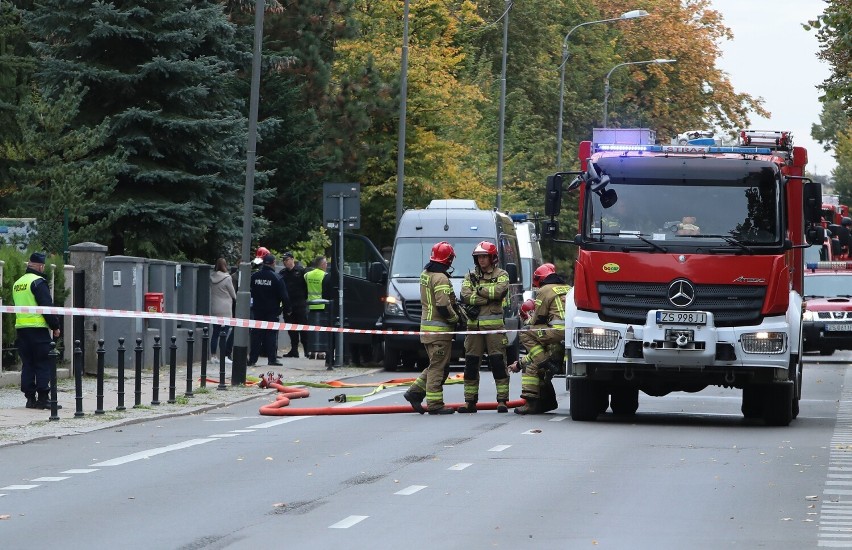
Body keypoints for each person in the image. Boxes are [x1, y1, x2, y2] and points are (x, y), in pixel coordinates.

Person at [403, 241, 461, 415]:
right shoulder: (441, 277)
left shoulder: (426, 274)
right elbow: (443, 305)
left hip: (427, 329)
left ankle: (415, 392)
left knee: (436, 364)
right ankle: (435, 404)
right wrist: (456, 318)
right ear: (449, 259)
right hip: (440, 332)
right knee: (439, 367)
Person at [456, 241, 511, 413]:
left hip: (494, 329)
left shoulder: (502, 275)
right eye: (478, 257)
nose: (481, 260)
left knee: (498, 363)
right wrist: (487, 297)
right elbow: (464, 296)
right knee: (471, 364)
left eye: (484, 256)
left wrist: (478, 290)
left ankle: (502, 401)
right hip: (473, 328)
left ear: (492, 258)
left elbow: (500, 292)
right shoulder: (469, 276)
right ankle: (469, 402)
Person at [508, 263, 569, 414]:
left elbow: (538, 319)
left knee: (525, 333)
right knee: (536, 357)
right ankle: (547, 402)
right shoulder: (568, 288)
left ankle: (530, 404)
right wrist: (519, 363)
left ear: (539, 280)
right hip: (572, 334)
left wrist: (527, 321)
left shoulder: (544, 290)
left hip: (556, 333)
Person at [14, 252, 61, 409]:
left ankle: (30, 399)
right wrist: (55, 326)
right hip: (38, 330)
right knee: (42, 363)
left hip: (21, 329)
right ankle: (43, 398)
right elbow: (46, 307)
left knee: (28, 364)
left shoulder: (18, 283)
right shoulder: (38, 282)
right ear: (40, 266)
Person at [248, 254, 290, 367]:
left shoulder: (255, 276)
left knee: (256, 335)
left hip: (258, 310)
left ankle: (252, 359)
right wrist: (287, 309)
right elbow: (284, 297)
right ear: (273, 263)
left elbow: (250, 291)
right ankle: (272, 359)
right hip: (272, 310)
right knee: (271, 335)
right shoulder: (276, 277)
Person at [279, 251, 308, 357]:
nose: (285, 262)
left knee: (304, 328)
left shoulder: (301, 271)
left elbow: (306, 287)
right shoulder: (282, 273)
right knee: (291, 329)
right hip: (288, 305)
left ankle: (306, 350)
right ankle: (294, 350)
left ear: (292, 259)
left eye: (286, 260)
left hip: (300, 304)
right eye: (283, 261)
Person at [304, 256, 332, 362]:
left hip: (311, 305)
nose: (326, 265)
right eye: (325, 263)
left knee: (312, 330)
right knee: (323, 330)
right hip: (322, 305)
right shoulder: (325, 275)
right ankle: (321, 352)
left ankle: (311, 352)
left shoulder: (307, 275)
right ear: (321, 264)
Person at [210, 258, 236, 363]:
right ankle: (224, 357)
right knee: (224, 333)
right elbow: (233, 294)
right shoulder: (227, 278)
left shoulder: (212, 277)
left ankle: (213, 356)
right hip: (225, 308)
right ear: (225, 265)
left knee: (215, 333)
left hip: (215, 308)